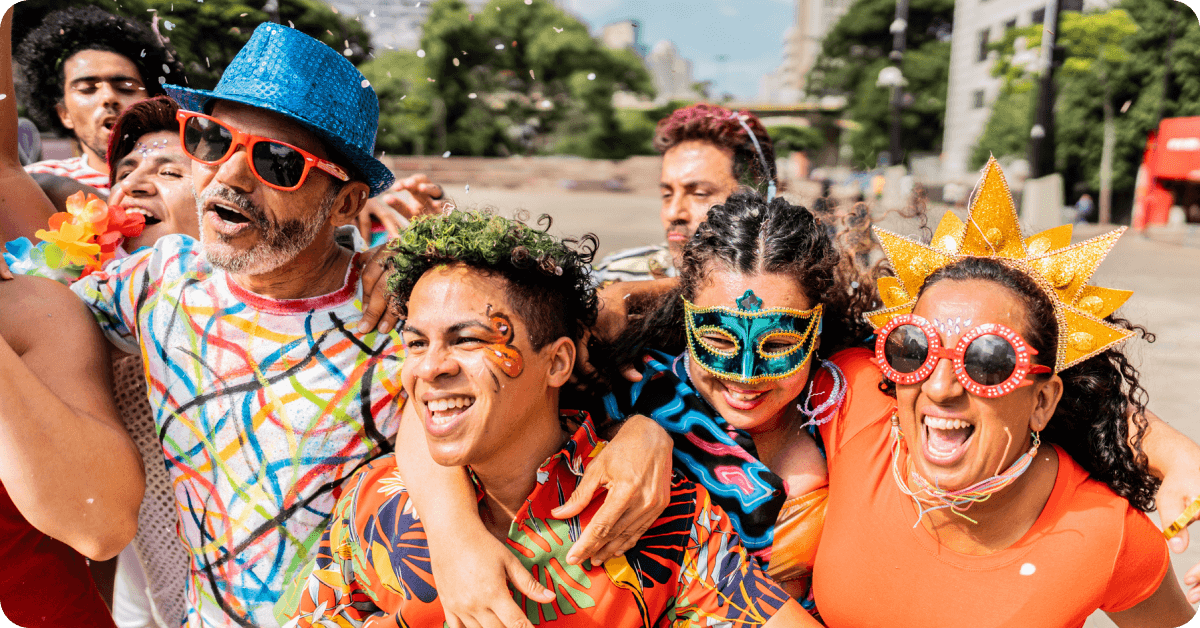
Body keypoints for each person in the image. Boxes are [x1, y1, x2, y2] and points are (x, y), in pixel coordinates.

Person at [282, 210, 814, 628]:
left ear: (558, 361)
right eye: (416, 342)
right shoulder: (376, 501)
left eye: (467, 339)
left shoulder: (658, 513)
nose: (430, 368)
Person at [70, 23, 405, 627]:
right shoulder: (159, 278)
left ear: (349, 203)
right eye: (211, 138)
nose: (228, 175)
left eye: (278, 163)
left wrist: (640, 440)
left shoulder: (405, 315)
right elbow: (35, 318)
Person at [811, 158, 1195, 626]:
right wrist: (1178, 453)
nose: (939, 386)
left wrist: (1179, 455)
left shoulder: (1104, 531)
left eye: (989, 361)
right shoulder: (852, 400)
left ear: (1042, 402)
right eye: (913, 349)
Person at [591, 103, 775, 284]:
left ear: (760, 199)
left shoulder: (792, 294)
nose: (673, 214)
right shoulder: (615, 278)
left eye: (700, 194)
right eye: (667, 194)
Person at [16, 6, 183, 192]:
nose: (109, 97)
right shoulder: (32, 185)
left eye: (126, 88)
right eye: (87, 89)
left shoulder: (192, 180)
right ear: (64, 114)